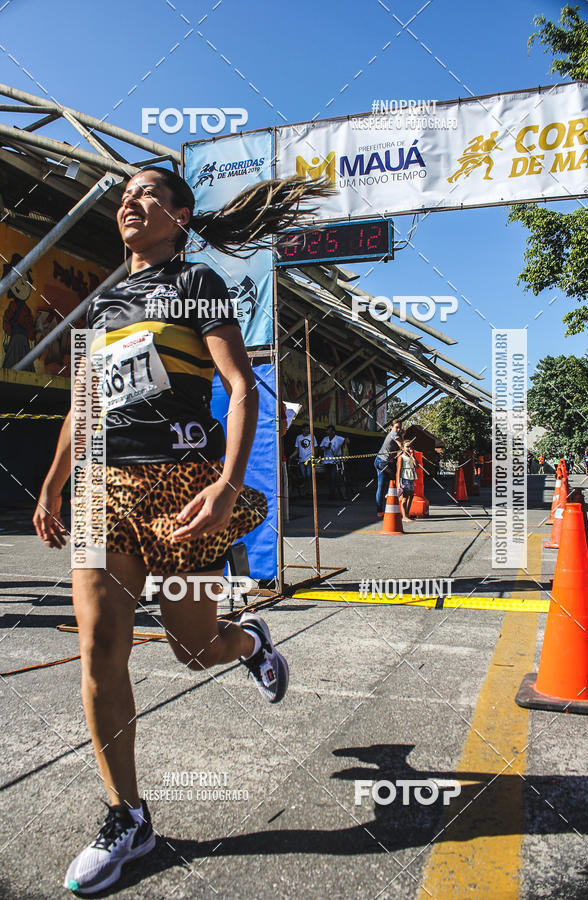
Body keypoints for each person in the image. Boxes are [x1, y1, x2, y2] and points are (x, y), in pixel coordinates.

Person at [32, 167, 331, 896]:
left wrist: (228, 485)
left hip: (182, 488)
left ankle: (248, 640)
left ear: (181, 216)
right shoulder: (104, 304)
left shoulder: (196, 282)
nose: (129, 204)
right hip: (107, 488)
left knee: (194, 649)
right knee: (99, 644)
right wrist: (52, 485)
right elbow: (84, 402)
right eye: (124, 195)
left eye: (148, 195)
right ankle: (128, 816)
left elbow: (239, 386)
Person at [374, 420, 403, 516]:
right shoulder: (394, 434)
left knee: (391, 482)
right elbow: (402, 447)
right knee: (383, 485)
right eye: (396, 427)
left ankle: (388, 503)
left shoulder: (396, 434)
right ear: (391, 427)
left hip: (385, 461)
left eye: (399, 427)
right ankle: (380, 510)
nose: (398, 429)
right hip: (382, 462)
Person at [290, 423, 316, 497]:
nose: (308, 430)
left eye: (309, 429)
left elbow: (315, 447)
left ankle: (310, 490)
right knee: (304, 475)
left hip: (310, 459)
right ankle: (306, 490)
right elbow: (297, 449)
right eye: (307, 429)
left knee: (308, 475)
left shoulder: (312, 436)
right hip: (302, 460)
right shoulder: (299, 437)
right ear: (303, 429)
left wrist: (314, 456)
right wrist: (292, 456)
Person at [319, 424, 345, 500]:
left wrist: (343, 449)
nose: (327, 431)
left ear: (333, 432)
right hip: (327, 462)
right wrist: (323, 448)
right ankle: (331, 493)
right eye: (326, 430)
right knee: (328, 478)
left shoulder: (338, 438)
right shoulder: (325, 439)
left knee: (334, 477)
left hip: (335, 462)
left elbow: (346, 440)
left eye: (328, 430)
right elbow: (320, 448)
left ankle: (336, 493)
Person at [398, 439, 417, 520]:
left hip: (411, 477)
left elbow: (416, 465)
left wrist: (413, 456)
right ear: (403, 447)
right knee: (405, 497)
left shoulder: (410, 457)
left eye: (410, 447)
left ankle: (407, 513)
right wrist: (398, 482)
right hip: (405, 477)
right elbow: (399, 470)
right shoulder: (401, 457)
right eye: (407, 447)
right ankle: (404, 516)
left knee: (411, 495)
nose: (409, 448)